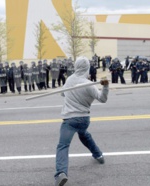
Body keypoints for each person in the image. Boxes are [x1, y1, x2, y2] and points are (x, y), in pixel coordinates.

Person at [54, 56, 109, 186]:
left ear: (76, 67)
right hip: (84, 119)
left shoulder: (69, 81)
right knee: (84, 134)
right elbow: (102, 99)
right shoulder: (88, 84)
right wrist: (105, 87)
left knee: (63, 146)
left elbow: (63, 94)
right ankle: (99, 155)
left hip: (70, 120)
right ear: (87, 68)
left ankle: (61, 173)